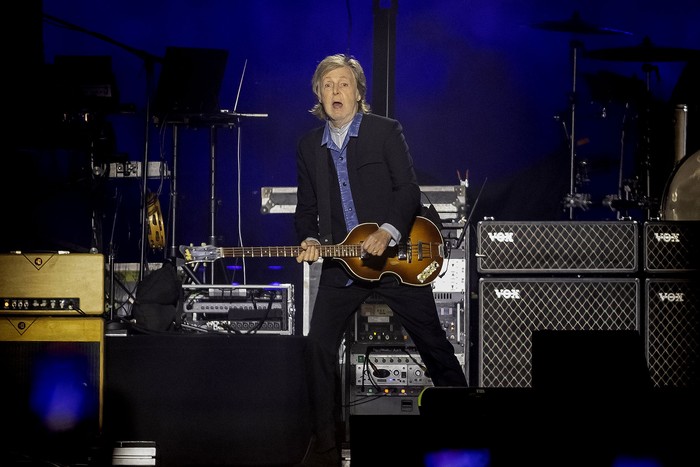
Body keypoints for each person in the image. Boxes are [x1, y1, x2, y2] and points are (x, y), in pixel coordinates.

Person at [294, 53, 468, 466]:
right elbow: (306, 208)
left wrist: (387, 231)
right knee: (317, 346)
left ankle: (466, 433)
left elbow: (407, 190)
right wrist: (309, 238)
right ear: (318, 94)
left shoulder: (386, 131)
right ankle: (325, 448)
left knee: (435, 346)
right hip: (343, 266)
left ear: (358, 93)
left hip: (396, 262)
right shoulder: (307, 146)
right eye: (328, 85)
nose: (336, 91)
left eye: (343, 84)